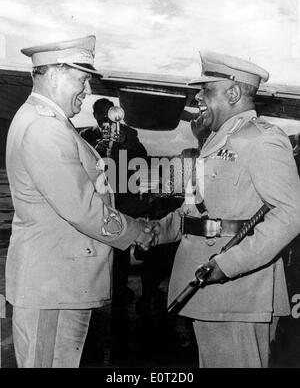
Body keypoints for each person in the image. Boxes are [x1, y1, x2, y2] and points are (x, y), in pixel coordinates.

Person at [5, 35, 154, 368]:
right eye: (82, 78)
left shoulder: (51, 123)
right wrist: (136, 232)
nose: (88, 89)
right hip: (53, 288)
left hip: (58, 282)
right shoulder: (44, 128)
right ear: (56, 73)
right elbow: (83, 209)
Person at [149, 51, 300, 367]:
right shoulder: (214, 141)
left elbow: (291, 213)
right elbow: (195, 211)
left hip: (237, 290)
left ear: (233, 93)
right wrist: (157, 231)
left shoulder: (262, 140)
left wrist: (228, 264)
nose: (198, 97)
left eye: (206, 90)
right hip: (209, 286)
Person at [81, 98, 149, 306]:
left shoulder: (129, 135)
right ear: (94, 116)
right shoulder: (87, 136)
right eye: (99, 115)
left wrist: (126, 145)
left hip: (122, 198)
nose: (104, 119)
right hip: (96, 199)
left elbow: (143, 162)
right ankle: (93, 289)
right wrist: (98, 148)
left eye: (107, 114)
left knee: (120, 248)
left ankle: (119, 288)